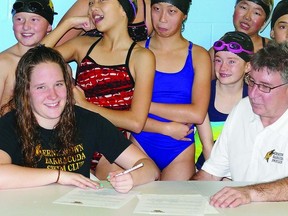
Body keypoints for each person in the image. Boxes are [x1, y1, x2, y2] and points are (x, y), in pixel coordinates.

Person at [0, 45, 160, 192]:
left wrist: (132, 178)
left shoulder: (89, 121)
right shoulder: (9, 125)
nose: (53, 95)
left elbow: (149, 168)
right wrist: (60, 176)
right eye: (41, 87)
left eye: (59, 84)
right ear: (25, 92)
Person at [41, 0, 156, 179]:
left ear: (123, 9)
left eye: (101, 0)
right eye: (91, 3)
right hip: (73, 140)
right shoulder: (82, 45)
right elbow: (33, 61)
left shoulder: (141, 57)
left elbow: (136, 122)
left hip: (109, 146)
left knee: (106, 198)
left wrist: (86, 106)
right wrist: (68, 24)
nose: (93, 7)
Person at [192, 41, 288, 208]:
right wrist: (180, 197)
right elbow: (211, 173)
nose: (253, 94)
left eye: (265, 87)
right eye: (251, 82)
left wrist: (249, 192)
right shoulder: (243, 109)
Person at [130, 0, 211, 180]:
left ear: (184, 16)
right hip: (141, 141)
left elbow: (197, 114)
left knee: (172, 205)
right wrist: (165, 127)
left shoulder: (199, 55)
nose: (162, 19)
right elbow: (126, 112)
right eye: (157, 10)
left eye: (172, 11)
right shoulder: (136, 50)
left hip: (179, 149)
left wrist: (144, 106)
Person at [195, 31, 253, 170]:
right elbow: (207, 145)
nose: (223, 67)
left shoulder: (253, 98)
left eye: (232, 61)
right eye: (218, 60)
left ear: (247, 66)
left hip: (237, 169)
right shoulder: (203, 93)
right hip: (202, 166)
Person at [0, 0, 57, 113]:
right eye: (19, 19)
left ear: (49, 26)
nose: (26, 26)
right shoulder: (3, 63)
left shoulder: (56, 63)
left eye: (34, 19)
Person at [210, 0, 273, 80]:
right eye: (243, 7)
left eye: (256, 13)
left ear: (264, 22)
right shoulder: (217, 51)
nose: (247, 17)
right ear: (234, 9)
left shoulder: (272, 50)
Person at [56, 0, 152, 45]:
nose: (93, 7)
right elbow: (50, 52)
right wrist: (70, 22)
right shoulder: (89, 4)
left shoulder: (150, 7)